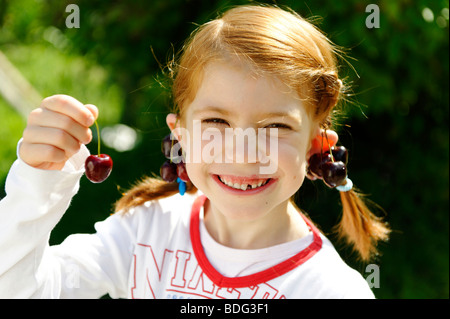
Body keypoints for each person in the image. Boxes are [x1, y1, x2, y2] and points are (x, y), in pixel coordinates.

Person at [0, 4, 390, 299]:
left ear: (316, 146)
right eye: (217, 122)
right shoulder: (146, 232)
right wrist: (37, 179)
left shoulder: (329, 289)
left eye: (275, 126)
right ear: (180, 135)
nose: (242, 154)